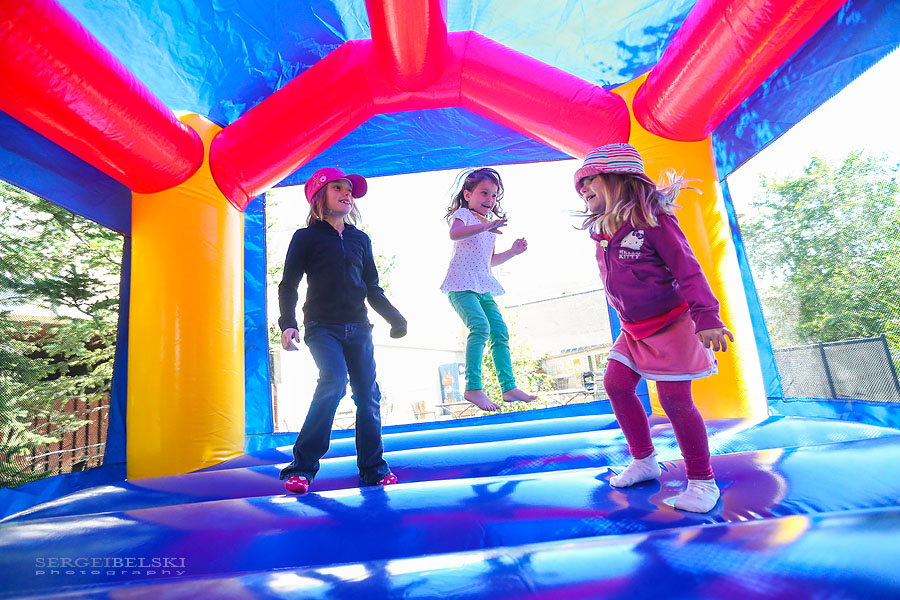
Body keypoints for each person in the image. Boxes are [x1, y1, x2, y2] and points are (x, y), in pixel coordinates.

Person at [573, 143, 733, 513]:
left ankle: (703, 480)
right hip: (633, 329)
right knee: (615, 384)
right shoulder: (604, 231)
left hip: (671, 324)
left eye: (589, 180)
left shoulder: (654, 219)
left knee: (675, 401)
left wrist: (707, 316)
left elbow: (687, 267)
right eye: (580, 185)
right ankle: (644, 460)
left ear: (618, 179)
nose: (583, 190)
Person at [278, 167, 407, 494]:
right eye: (338, 187)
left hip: (359, 328)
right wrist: (288, 323)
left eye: (349, 189)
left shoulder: (359, 239)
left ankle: (373, 469)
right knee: (333, 380)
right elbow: (288, 285)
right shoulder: (305, 238)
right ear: (319, 195)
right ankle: (301, 468)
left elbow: (372, 288)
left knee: (368, 394)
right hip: (322, 327)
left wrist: (395, 318)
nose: (347, 193)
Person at [440, 167, 537, 412]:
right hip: (461, 285)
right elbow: (455, 234)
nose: (489, 200)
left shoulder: (489, 225)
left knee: (499, 331)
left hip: (482, 284)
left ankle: (508, 387)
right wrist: (485, 227)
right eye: (484, 193)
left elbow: (489, 260)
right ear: (467, 193)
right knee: (480, 327)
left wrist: (513, 252)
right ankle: (473, 387)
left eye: (494, 196)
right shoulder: (464, 215)